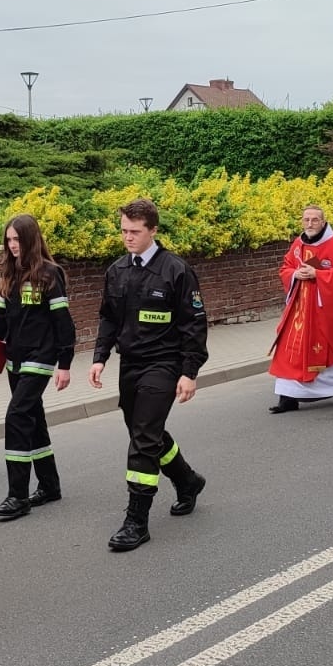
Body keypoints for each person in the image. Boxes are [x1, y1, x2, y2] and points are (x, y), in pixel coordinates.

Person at [90, 198, 209, 553]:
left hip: (164, 363)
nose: (128, 237)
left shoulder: (176, 270)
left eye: (135, 232)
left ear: (153, 230)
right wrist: (99, 358)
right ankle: (187, 481)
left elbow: (194, 324)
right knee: (144, 431)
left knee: (142, 437)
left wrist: (189, 372)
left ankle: (136, 521)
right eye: (124, 230)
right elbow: (109, 317)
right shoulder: (117, 270)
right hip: (131, 363)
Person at [0, 214, 75, 518]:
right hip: (14, 359)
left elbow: (63, 322)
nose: (12, 246)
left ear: (30, 239)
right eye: (8, 240)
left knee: (17, 416)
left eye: (17, 239)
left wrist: (65, 363)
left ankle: (17, 496)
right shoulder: (8, 276)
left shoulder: (50, 273)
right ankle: (49, 486)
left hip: (41, 357)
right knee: (33, 418)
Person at [270, 205, 333, 411]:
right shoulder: (298, 244)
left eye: (315, 220)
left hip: (326, 311)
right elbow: (286, 267)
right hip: (299, 311)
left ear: (323, 222)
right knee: (288, 351)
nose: (310, 224)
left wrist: (318, 275)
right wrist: (294, 275)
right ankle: (288, 397)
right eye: (306, 220)